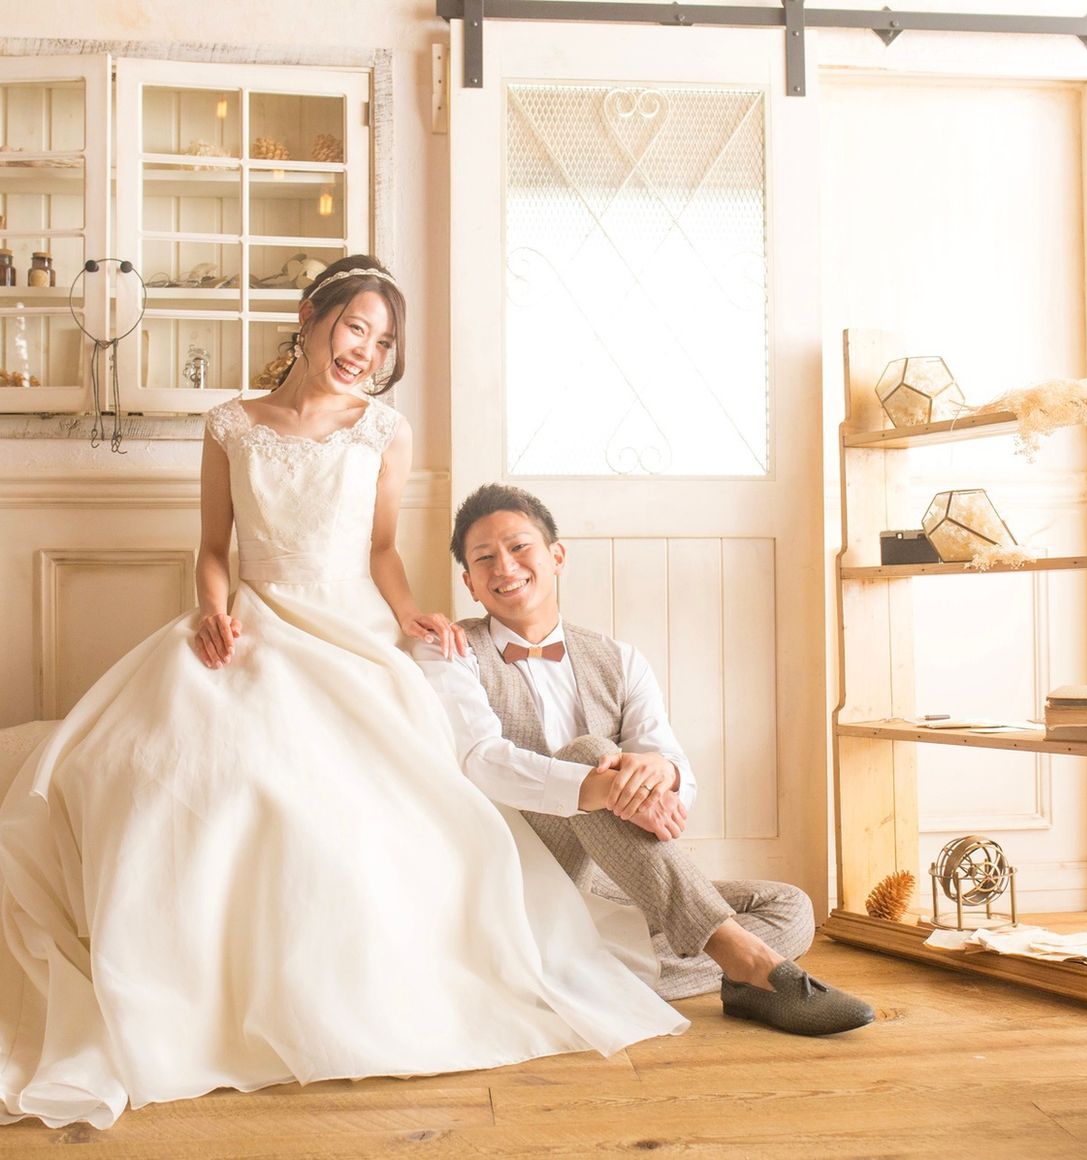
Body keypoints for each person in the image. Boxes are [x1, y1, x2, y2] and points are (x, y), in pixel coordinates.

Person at [0, 257, 687, 1130]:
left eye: (384, 340)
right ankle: (200, 992)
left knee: (382, 804)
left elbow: (382, 550)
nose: (367, 350)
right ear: (310, 316)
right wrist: (212, 612)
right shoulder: (230, 424)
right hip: (255, 624)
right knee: (161, 773)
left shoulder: (383, 431)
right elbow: (213, 548)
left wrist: (412, 615)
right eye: (356, 326)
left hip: (353, 632)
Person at [414, 484, 875, 1037]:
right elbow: (482, 760)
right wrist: (601, 784)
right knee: (593, 755)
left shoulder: (619, 658)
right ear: (469, 582)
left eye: (518, 547)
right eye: (484, 558)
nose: (504, 567)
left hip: (614, 872)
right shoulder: (448, 650)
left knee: (789, 906)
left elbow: (668, 759)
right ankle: (746, 960)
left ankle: (575, 973)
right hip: (512, 862)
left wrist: (664, 772)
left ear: (556, 555)